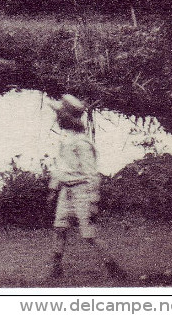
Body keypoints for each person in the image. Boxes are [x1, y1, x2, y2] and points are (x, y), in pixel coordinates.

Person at [47, 94, 127, 282]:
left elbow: (92, 174)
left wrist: (93, 200)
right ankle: (56, 268)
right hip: (66, 192)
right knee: (59, 229)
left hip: (82, 190)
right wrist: (53, 188)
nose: (57, 119)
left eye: (59, 115)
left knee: (89, 234)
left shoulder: (83, 143)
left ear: (66, 118)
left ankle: (113, 267)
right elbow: (60, 167)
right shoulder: (65, 139)